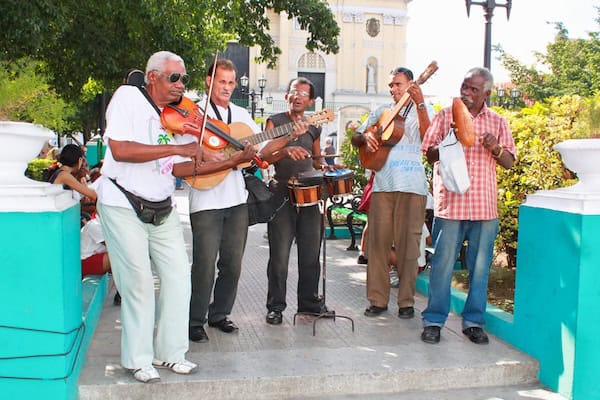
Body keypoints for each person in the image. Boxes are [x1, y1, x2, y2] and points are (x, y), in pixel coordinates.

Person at [173, 60, 308, 342]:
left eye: (231, 82)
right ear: (209, 81)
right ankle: (194, 319)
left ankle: (219, 314)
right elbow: (183, 155)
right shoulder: (194, 113)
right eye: (221, 81)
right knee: (204, 264)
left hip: (236, 199)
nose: (226, 87)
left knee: (233, 263)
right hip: (205, 198)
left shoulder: (242, 116)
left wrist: (288, 137)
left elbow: (264, 152)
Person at [96, 50, 200, 383]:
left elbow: (175, 167)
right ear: (152, 76)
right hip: (122, 202)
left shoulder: (171, 115)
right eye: (174, 77)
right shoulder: (128, 97)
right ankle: (138, 359)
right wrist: (177, 148)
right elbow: (121, 150)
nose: (180, 84)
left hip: (162, 205)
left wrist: (227, 159)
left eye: (183, 78)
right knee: (138, 283)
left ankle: (171, 354)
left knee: (179, 280)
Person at [420, 67, 516, 345]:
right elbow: (429, 155)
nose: (466, 93)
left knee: (480, 267)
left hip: (484, 208)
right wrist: (451, 138)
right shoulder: (445, 116)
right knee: (442, 264)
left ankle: (473, 322)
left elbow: (509, 162)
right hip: (451, 205)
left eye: (474, 89)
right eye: (465, 87)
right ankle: (434, 320)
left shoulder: (497, 122)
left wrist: (495, 148)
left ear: (486, 93)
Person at [351, 66, 432, 320]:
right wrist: (365, 138)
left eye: (398, 84)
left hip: (412, 187)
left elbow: (428, 140)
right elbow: (355, 135)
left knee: (409, 248)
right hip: (383, 185)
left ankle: (406, 302)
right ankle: (377, 300)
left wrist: (419, 105)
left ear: (411, 85)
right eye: (391, 85)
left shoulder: (425, 108)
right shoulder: (381, 111)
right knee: (377, 245)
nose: (393, 88)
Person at [261, 77, 332, 325]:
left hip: (310, 194)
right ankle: (275, 307)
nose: (298, 96)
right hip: (281, 194)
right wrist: (286, 146)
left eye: (303, 93)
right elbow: (264, 157)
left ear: (311, 101)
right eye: (293, 92)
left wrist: (326, 167)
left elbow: (316, 159)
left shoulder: (314, 126)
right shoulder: (276, 122)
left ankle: (309, 304)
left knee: (310, 254)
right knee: (279, 256)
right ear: (286, 96)